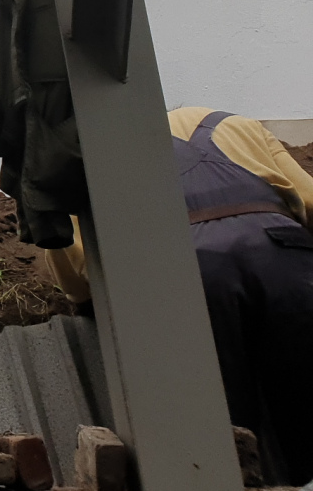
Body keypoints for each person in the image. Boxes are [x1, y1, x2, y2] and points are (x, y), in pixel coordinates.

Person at [46, 107, 313, 485]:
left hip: (188, 270)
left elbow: (68, 250)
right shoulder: (238, 125)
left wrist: (83, 298)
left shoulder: (91, 149)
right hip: (283, 254)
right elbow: (309, 199)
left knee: (224, 427)